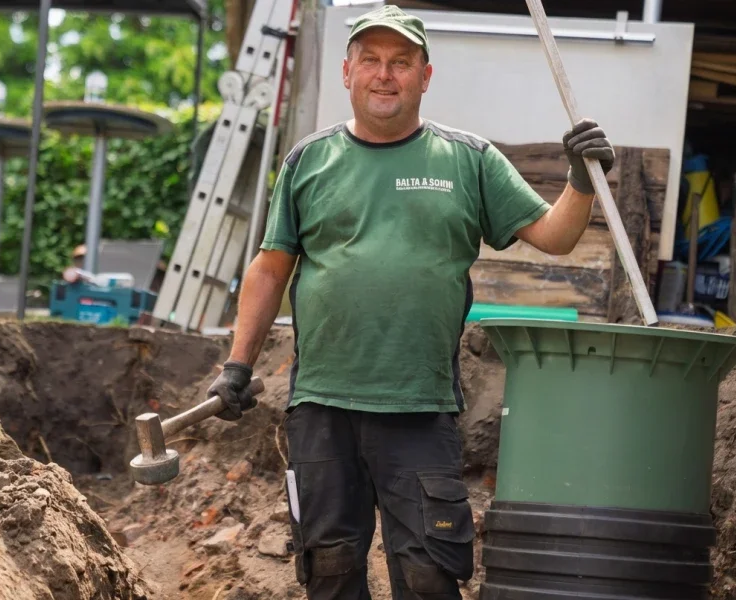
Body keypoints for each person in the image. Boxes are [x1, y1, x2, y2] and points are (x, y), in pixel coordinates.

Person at [206, 5, 615, 599]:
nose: (384, 74)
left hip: (420, 410)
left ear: (425, 76)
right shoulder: (308, 161)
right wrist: (237, 366)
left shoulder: (468, 159)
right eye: (370, 60)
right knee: (330, 569)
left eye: (401, 62)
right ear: (347, 72)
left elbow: (556, 236)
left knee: (429, 575)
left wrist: (580, 178)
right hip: (322, 407)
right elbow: (271, 268)